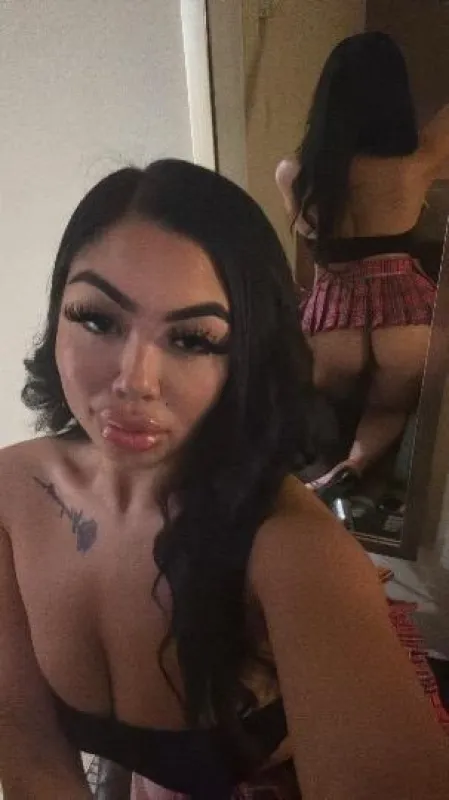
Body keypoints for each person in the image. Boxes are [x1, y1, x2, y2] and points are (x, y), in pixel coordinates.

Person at [1, 158, 449, 800]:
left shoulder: (293, 552)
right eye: (98, 319)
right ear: (58, 313)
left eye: (192, 339)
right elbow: (30, 755)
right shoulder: (12, 495)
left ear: (244, 356)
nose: (134, 380)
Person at [276, 31, 447, 500]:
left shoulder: (293, 173)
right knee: (390, 409)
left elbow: (310, 255)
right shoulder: (415, 163)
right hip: (407, 323)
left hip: (334, 327)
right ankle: (357, 463)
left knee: (322, 409)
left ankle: (317, 476)